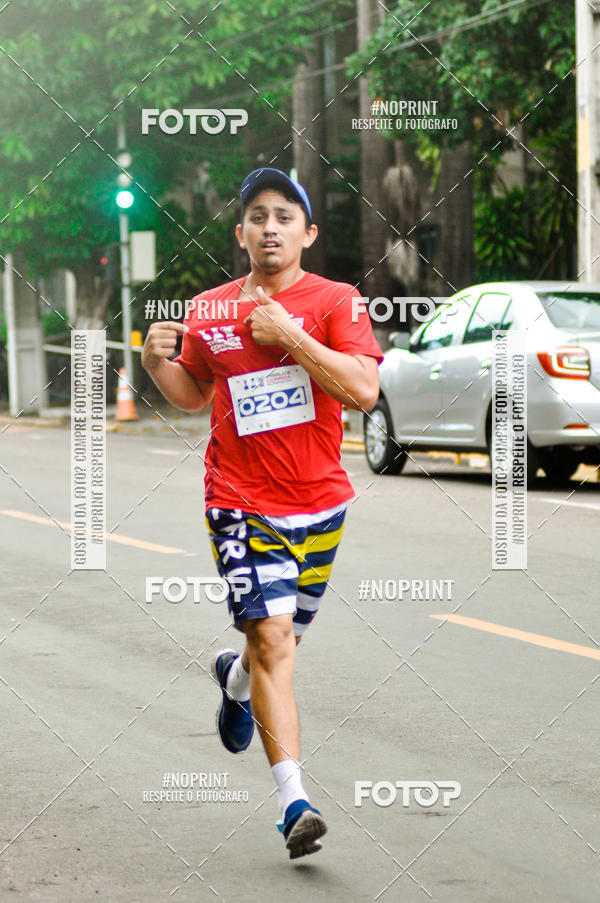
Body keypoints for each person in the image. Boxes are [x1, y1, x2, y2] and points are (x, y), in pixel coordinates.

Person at [142, 167, 383, 859]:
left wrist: (291, 336)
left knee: (280, 643)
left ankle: (235, 679)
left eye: (284, 216)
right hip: (239, 502)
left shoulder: (336, 300)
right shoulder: (208, 310)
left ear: (308, 233)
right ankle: (293, 804)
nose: (270, 227)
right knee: (274, 640)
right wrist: (157, 366)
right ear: (240, 233)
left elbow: (364, 391)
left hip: (321, 503)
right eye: (257, 216)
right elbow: (194, 393)